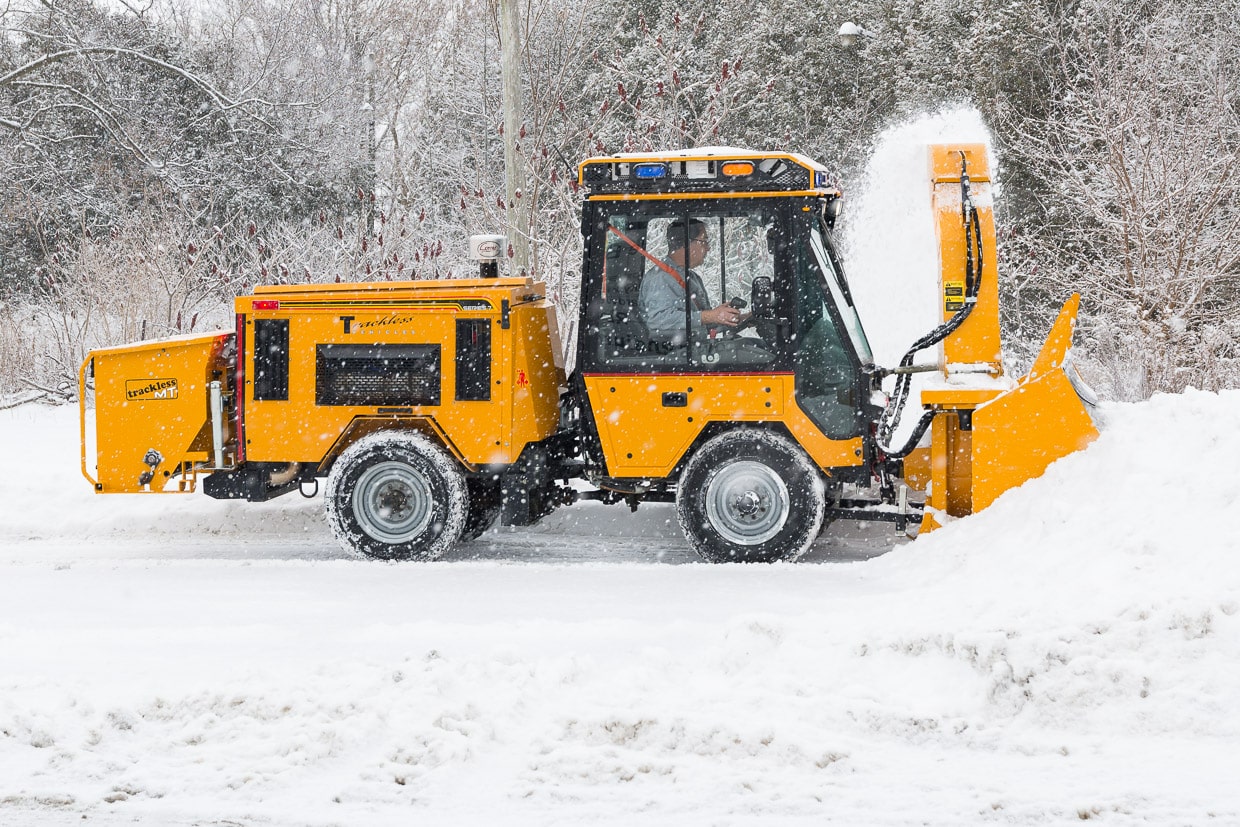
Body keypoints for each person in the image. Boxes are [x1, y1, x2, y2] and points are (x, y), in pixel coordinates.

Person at [639, 218, 744, 344]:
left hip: (693, 349)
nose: (708, 248)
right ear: (686, 243)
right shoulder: (660, 278)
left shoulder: (692, 277)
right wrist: (710, 316)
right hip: (672, 354)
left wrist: (730, 318)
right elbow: (659, 320)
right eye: (704, 241)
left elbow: (701, 323)